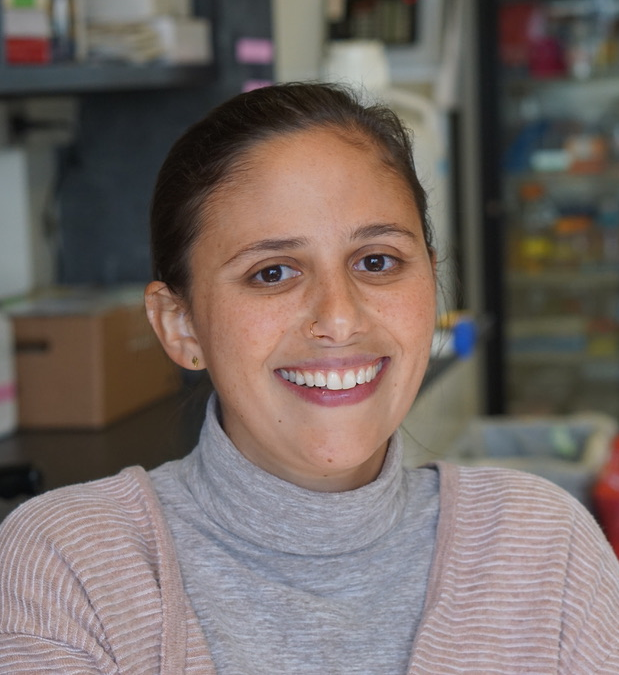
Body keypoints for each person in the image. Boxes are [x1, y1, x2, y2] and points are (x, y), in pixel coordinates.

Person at [0, 82, 618, 675]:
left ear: (431, 283)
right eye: (273, 272)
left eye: (377, 262)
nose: (339, 317)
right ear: (180, 324)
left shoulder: (541, 547)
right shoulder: (74, 565)